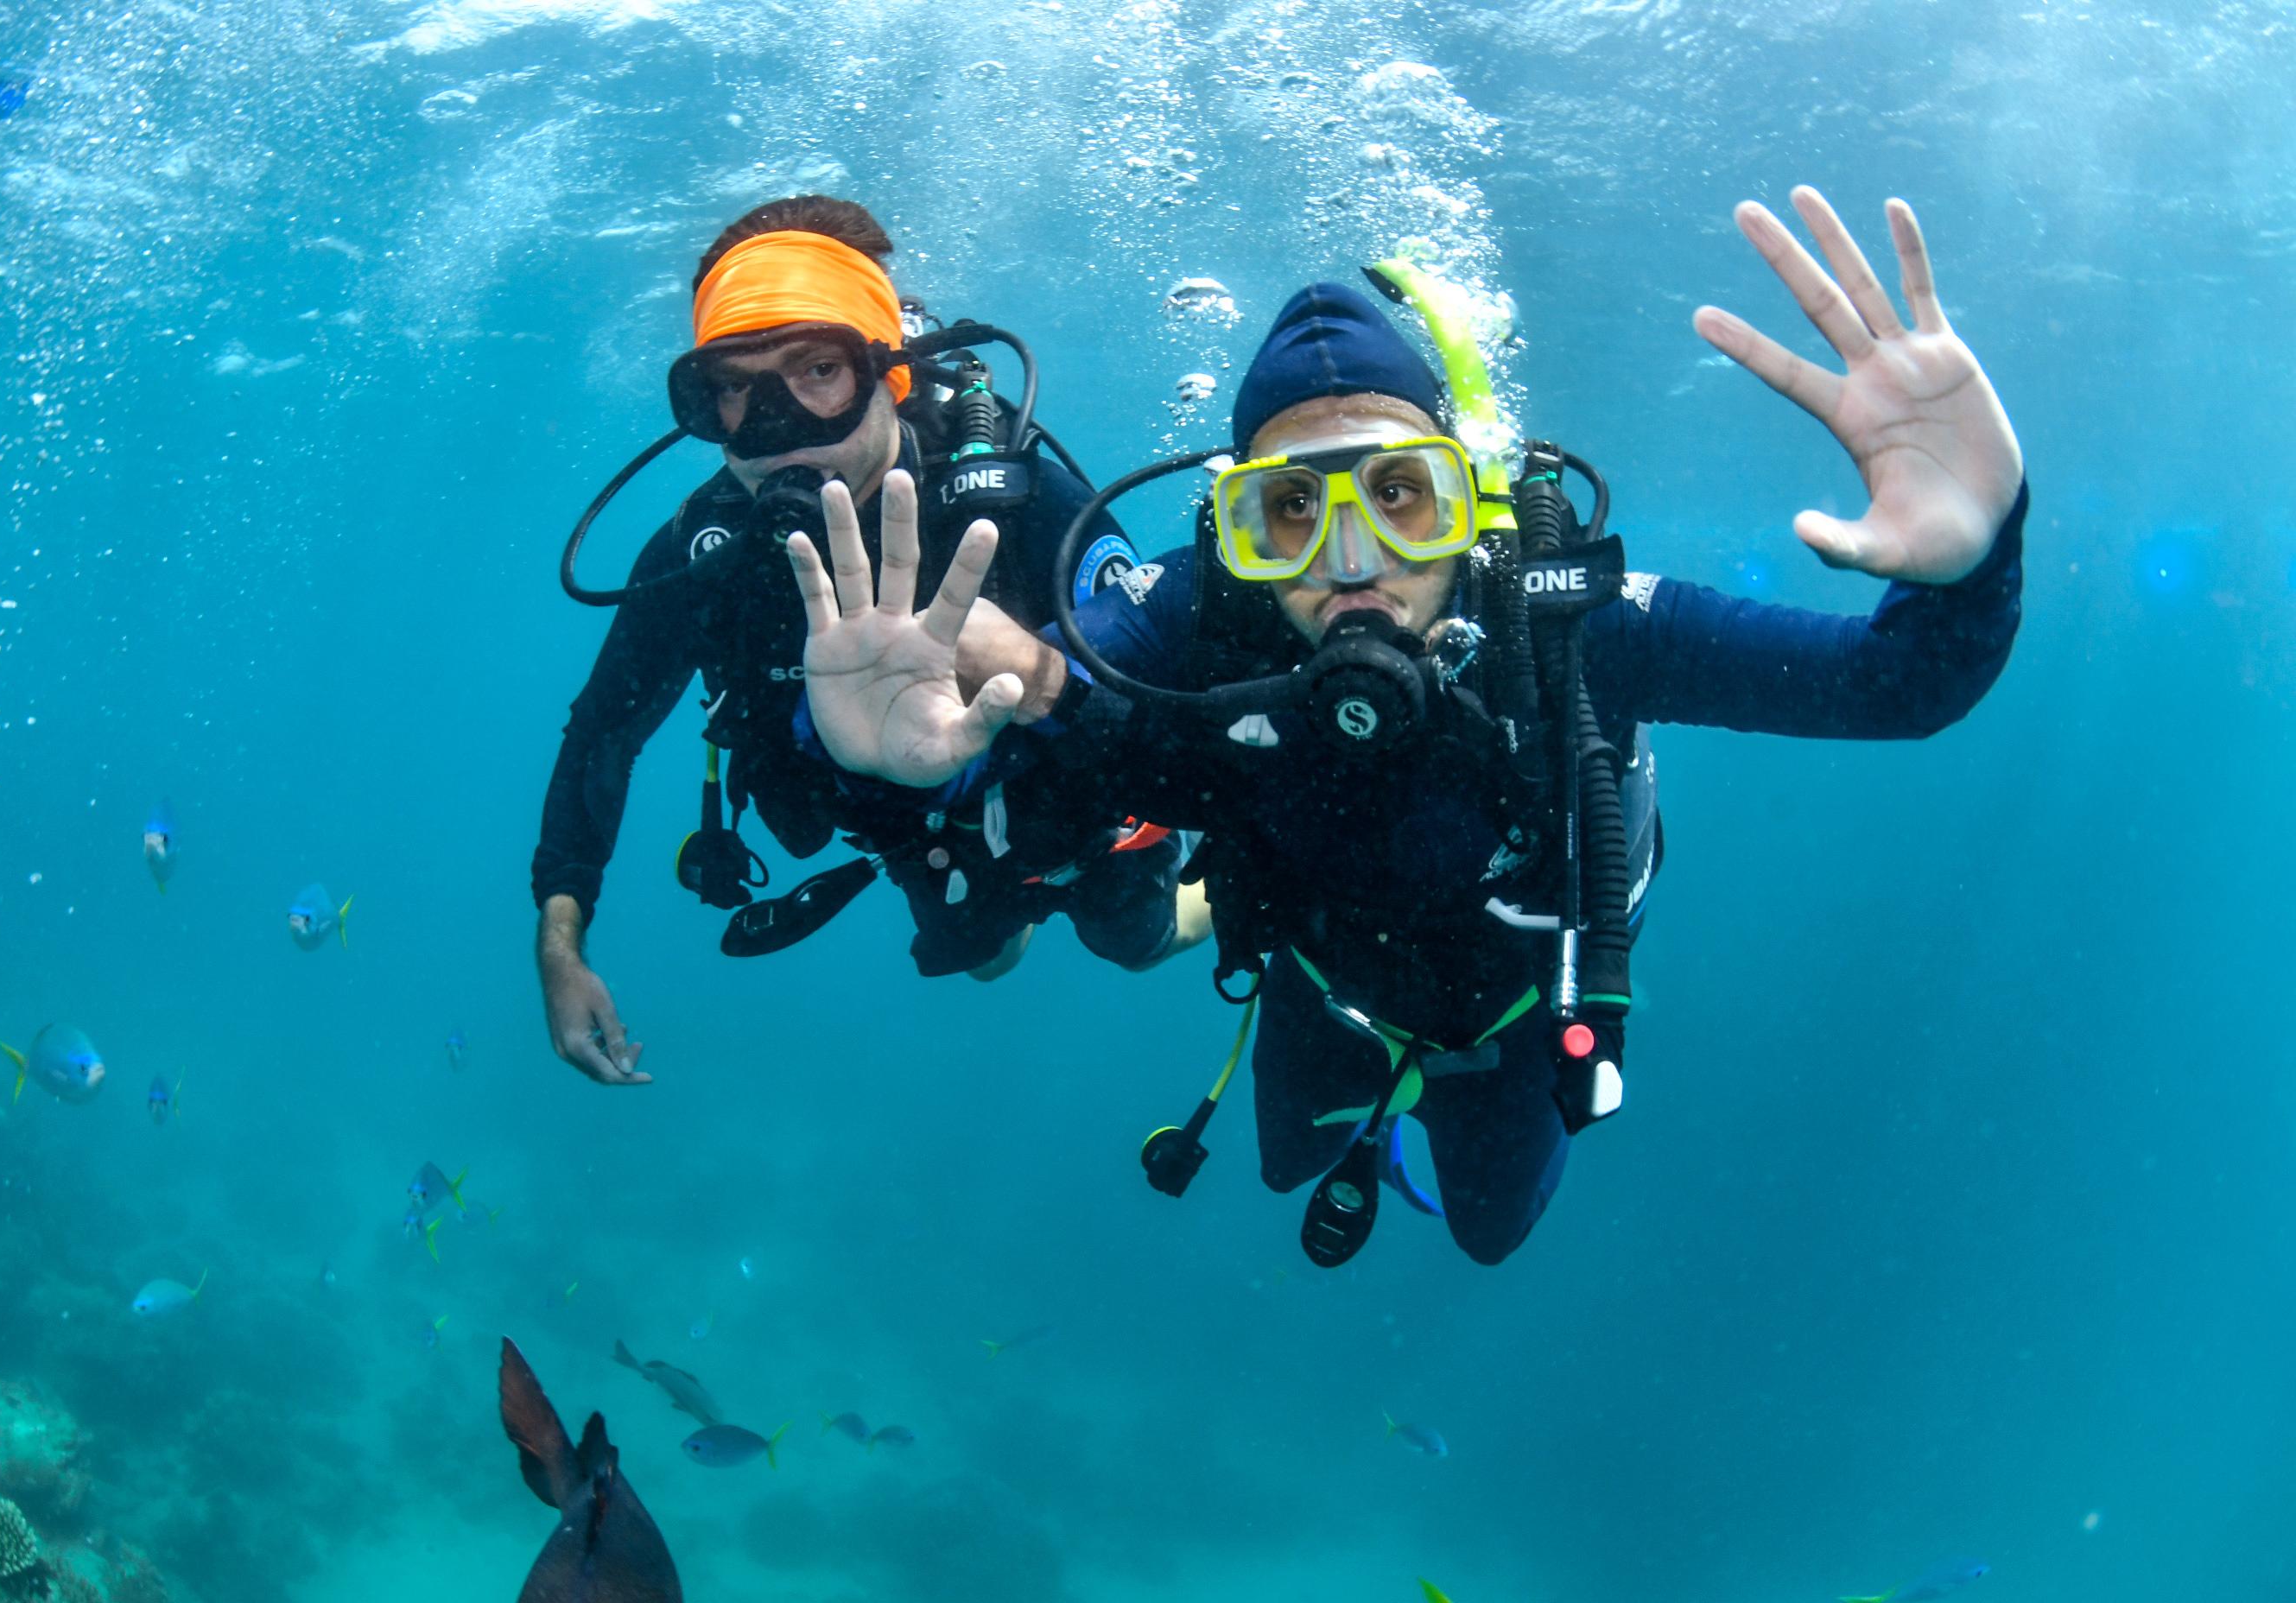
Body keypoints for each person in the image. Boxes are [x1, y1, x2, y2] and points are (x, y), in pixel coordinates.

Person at [784, 187, 2025, 1265]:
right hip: (1322, 983)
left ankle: (1420, 1129)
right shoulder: (1197, 614)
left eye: (1400, 497)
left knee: (1490, 1237)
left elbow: (1897, 686)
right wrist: (904, 758)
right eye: (1289, 514)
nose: (1351, 563)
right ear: (1233, 530)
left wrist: (1975, 552)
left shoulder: (1575, 629)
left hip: (1516, 1016)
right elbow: (1043, 723)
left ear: (1473, 502)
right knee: (1280, 1173)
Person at [533, 195, 1203, 1087]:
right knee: (987, 957)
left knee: (1135, 939)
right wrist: (560, 943)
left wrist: (1041, 683)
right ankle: (1006, 900)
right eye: (733, 387)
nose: (775, 426)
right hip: (899, 820)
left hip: (1068, 798)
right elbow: (603, 730)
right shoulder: (707, 556)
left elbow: (1168, 713)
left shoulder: (1022, 502)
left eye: (818, 370)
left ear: (886, 372)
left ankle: (1210, 904)